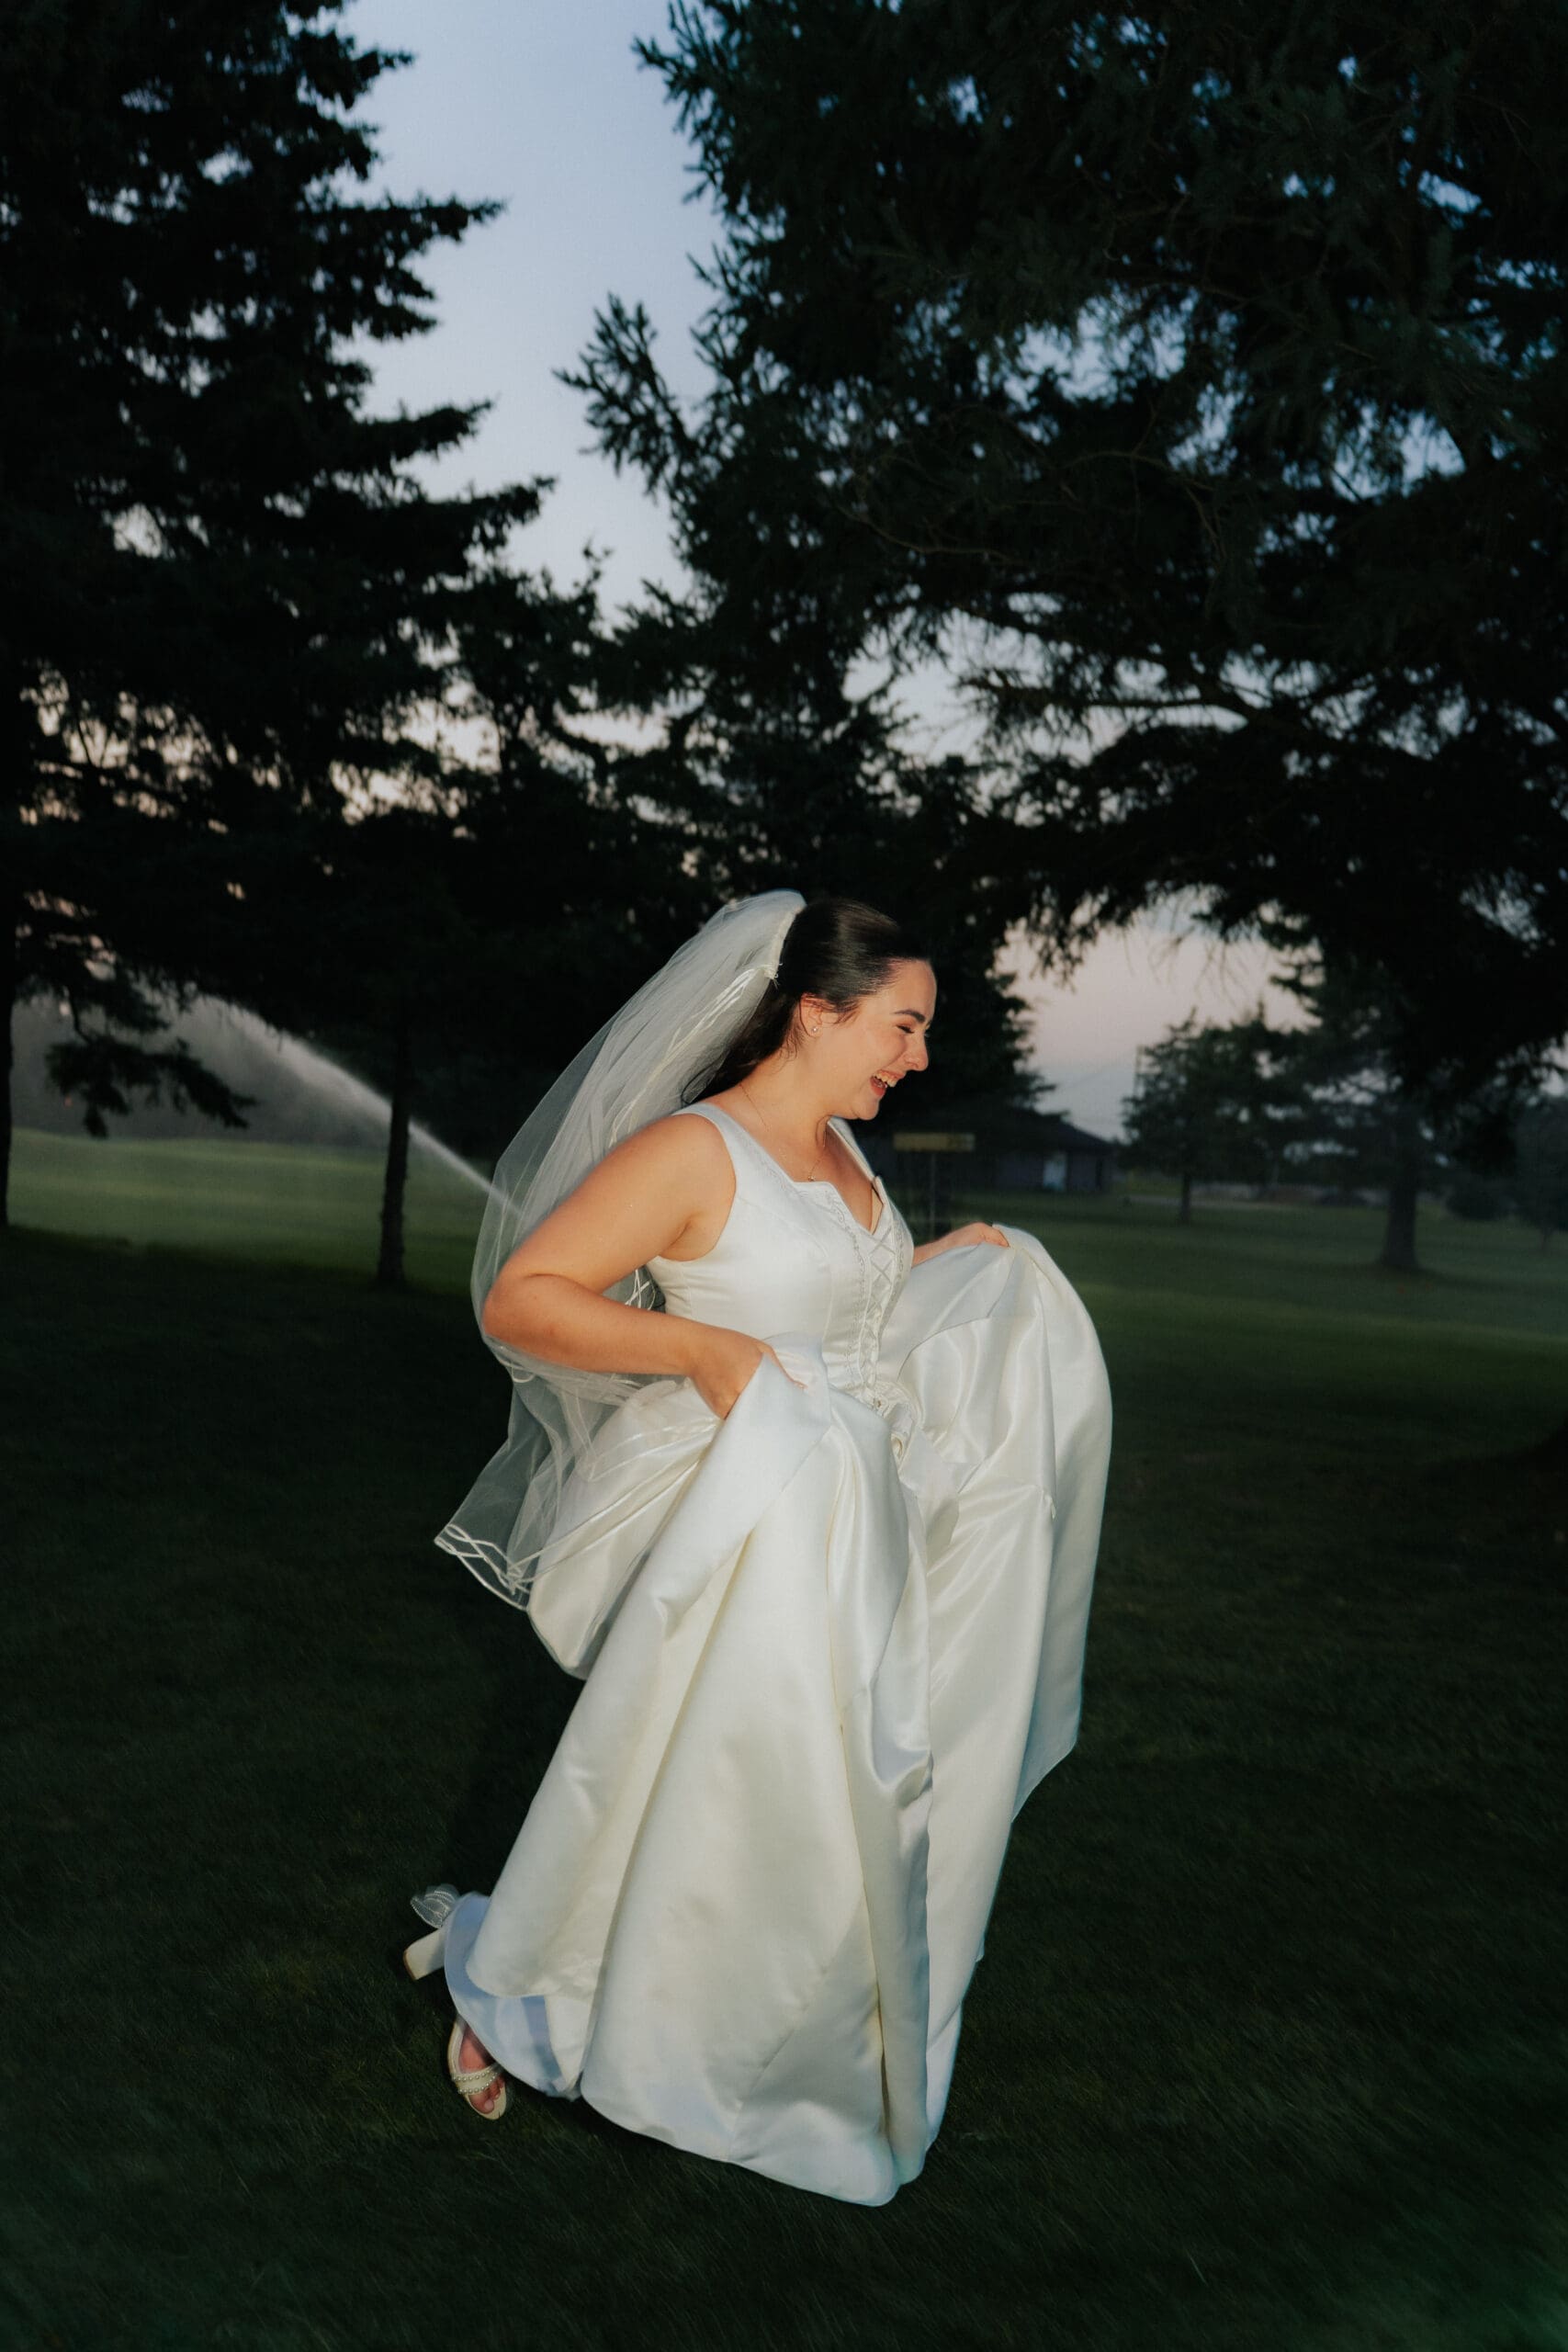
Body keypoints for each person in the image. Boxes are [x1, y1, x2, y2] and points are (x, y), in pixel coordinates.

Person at [402, 890, 1112, 2206]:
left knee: (785, 1803)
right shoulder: (693, 1151)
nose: (914, 1058)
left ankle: (733, 2019)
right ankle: (525, 1995)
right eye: (900, 1027)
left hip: (854, 1507)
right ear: (815, 1009)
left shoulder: (844, 1152)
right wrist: (703, 1349)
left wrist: (947, 1265)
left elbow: (851, 1307)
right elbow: (526, 1297)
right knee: (747, 1782)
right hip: (739, 1514)